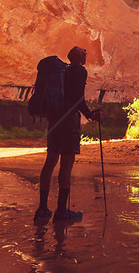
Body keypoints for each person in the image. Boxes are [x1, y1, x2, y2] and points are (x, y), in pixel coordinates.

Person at [34, 46, 101, 224]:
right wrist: (90, 114)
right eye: (83, 52)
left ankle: (42, 208)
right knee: (66, 164)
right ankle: (61, 211)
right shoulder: (80, 71)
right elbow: (78, 98)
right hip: (69, 121)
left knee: (50, 162)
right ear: (78, 57)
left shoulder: (62, 72)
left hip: (54, 119)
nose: (87, 53)